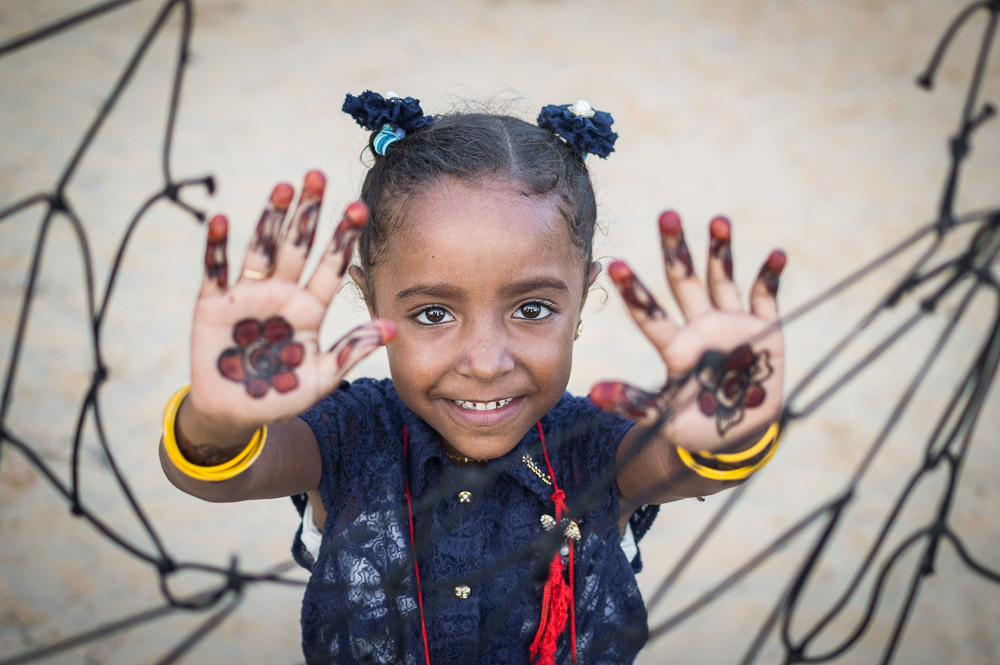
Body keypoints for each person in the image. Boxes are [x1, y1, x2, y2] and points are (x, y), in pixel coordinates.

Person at [159, 91, 786, 665]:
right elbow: (223, 473)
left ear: (582, 300)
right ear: (371, 301)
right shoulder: (348, 435)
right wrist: (221, 418)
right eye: (433, 314)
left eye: (532, 309)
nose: (486, 361)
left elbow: (683, 462)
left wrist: (725, 428)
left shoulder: (597, 448)